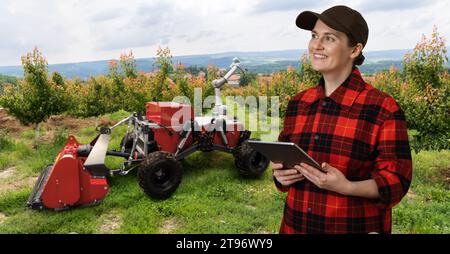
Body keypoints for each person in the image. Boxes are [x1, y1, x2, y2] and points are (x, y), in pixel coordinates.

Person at [272, 5, 412, 234]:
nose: (316, 45)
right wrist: (281, 175)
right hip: (294, 227)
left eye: (329, 38)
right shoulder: (298, 104)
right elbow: (284, 163)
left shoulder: (382, 109)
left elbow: (397, 181)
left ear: (355, 50)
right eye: (314, 36)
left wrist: (347, 186)